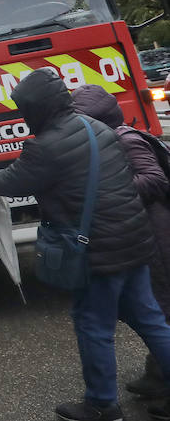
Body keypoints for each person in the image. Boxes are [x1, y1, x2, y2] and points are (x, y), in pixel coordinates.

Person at [0, 68, 170, 421]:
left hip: (96, 251)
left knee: (93, 325)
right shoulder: (96, 128)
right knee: (152, 319)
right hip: (135, 241)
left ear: (37, 108)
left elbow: (13, 181)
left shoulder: (44, 146)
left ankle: (102, 405)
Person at [73, 84, 170, 404]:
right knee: (152, 309)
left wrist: (109, 193)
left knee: (162, 307)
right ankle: (157, 375)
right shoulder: (109, 140)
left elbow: (154, 179)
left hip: (155, 233)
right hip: (140, 231)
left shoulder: (124, 140)